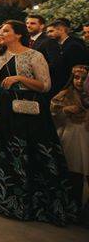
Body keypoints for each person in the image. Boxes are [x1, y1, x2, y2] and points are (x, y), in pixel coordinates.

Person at [0, 20, 77, 225]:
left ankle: (33, 205)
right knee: (3, 153)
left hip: (28, 111)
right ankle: (2, 199)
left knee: (30, 155)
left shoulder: (35, 55)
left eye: (5, 30)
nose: (0, 33)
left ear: (18, 35)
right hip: (2, 109)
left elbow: (45, 86)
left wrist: (19, 78)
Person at [51, 65, 89, 212]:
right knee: (74, 173)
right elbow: (53, 112)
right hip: (71, 136)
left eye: (83, 79)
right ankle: (73, 206)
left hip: (85, 135)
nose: (79, 82)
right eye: (76, 78)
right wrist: (65, 110)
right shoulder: (65, 94)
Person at [47, 18, 89, 98]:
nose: (48, 35)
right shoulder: (62, 44)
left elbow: (74, 70)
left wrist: (66, 89)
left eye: (51, 31)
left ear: (62, 30)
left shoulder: (73, 46)